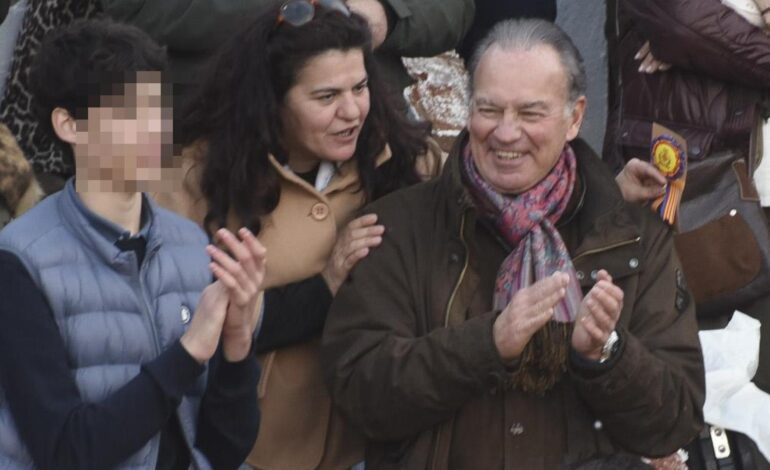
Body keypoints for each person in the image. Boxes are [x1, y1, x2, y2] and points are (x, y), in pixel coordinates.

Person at [321, 18, 705, 468]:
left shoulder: (633, 237)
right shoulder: (397, 226)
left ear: (574, 117)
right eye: (489, 109)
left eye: (530, 113)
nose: (505, 132)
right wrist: (487, 344)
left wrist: (607, 354)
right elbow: (360, 394)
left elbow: (676, 420)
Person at [154, 1, 441, 468]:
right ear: (271, 99)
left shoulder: (404, 160)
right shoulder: (195, 180)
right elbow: (175, 320)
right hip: (250, 448)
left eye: (361, 86)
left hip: (367, 444)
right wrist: (324, 286)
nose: (352, 111)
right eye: (326, 97)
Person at [0, 19, 265, 469]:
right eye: (128, 113)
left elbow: (225, 447)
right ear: (69, 124)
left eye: (158, 109)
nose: (153, 130)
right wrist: (190, 351)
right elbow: (69, 449)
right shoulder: (20, 260)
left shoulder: (189, 244)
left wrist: (238, 343)